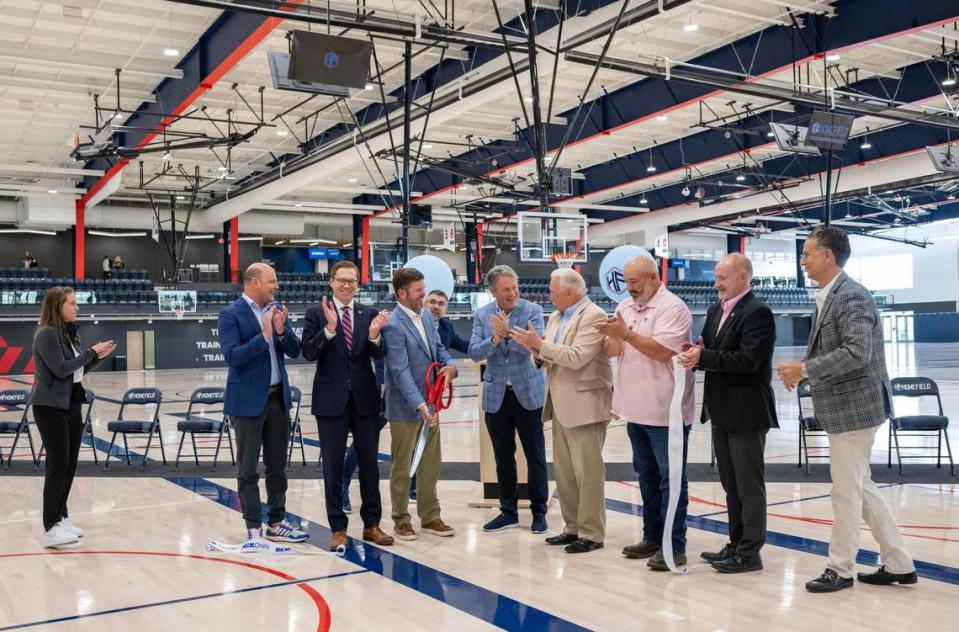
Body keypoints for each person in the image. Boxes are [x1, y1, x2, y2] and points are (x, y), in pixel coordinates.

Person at [777, 226, 916, 593]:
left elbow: (857, 352)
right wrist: (803, 370)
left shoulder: (851, 296)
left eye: (807, 254)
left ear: (827, 256)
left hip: (856, 409)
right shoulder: (829, 296)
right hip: (845, 407)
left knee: (845, 492)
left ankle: (840, 569)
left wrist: (804, 369)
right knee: (860, 486)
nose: (802, 260)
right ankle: (899, 563)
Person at [678, 253, 777, 574]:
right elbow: (711, 347)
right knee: (731, 484)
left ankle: (750, 552)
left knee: (749, 485)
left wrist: (703, 356)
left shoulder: (758, 312)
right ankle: (736, 543)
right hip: (721, 410)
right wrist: (698, 349)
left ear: (744, 278)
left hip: (747, 411)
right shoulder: (714, 310)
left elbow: (748, 360)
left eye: (722, 277)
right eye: (717, 277)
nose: (716, 283)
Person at [596, 256, 694, 571]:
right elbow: (614, 350)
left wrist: (624, 334)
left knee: (672, 482)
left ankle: (674, 547)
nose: (629, 287)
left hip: (666, 414)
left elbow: (662, 351)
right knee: (647, 479)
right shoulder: (625, 307)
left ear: (653, 277)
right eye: (627, 281)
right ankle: (652, 537)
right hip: (634, 411)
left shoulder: (673, 308)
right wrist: (607, 336)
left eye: (635, 281)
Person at [511, 268, 610, 554]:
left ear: (570, 292)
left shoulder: (593, 316)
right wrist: (535, 351)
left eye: (554, 292)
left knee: (587, 473)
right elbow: (548, 356)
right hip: (559, 403)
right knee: (565, 473)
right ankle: (572, 527)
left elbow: (577, 357)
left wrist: (539, 344)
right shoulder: (556, 317)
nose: (550, 296)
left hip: (585, 406)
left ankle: (592, 533)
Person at [302, 260, 393, 552]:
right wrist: (329, 329)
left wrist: (375, 335)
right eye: (341, 280)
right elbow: (307, 352)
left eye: (352, 281)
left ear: (357, 284)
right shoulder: (316, 314)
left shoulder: (368, 314)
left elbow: (379, 355)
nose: (347, 285)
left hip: (365, 399)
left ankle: (372, 524)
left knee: (369, 465)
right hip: (330, 401)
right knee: (332, 465)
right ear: (331, 281)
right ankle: (338, 528)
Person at [218, 263, 308, 544]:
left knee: (278, 466)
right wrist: (265, 336)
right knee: (247, 469)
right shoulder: (230, 315)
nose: (276, 286)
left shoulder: (276, 310)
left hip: (277, 399)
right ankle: (253, 526)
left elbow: (295, 350)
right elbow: (233, 357)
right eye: (272, 281)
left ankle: (277, 521)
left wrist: (281, 332)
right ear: (254, 282)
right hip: (246, 403)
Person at [30, 286, 116, 547]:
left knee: (69, 463)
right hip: (50, 407)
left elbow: (77, 372)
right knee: (57, 464)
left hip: (70, 404)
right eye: (72, 303)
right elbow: (60, 369)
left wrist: (97, 357)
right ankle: (50, 525)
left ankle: (61, 515)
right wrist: (91, 352)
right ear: (57, 306)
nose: (77, 307)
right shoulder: (46, 334)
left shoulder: (68, 334)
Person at [468, 265, 548, 534]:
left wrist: (508, 333)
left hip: (528, 394)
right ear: (494, 292)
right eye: (506, 289)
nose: (513, 293)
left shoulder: (533, 311)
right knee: (503, 458)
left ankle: (539, 512)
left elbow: (534, 347)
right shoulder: (482, 315)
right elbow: (475, 352)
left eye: (514, 287)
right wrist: (496, 337)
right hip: (496, 397)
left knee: (535, 455)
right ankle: (508, 511)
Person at [383, 267, 457, 541]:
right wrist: (420, 405)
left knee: (430, 462)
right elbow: (400, 371)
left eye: (423, 290)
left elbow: (438, 348)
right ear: (401, 293)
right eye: (418, 292)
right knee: (403, 466)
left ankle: (430, 516)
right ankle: (401, 519)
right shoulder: (392, 324)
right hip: (406, 407)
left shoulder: (427, 316)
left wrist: (450, 367)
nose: (423, 295)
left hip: (432, 401)